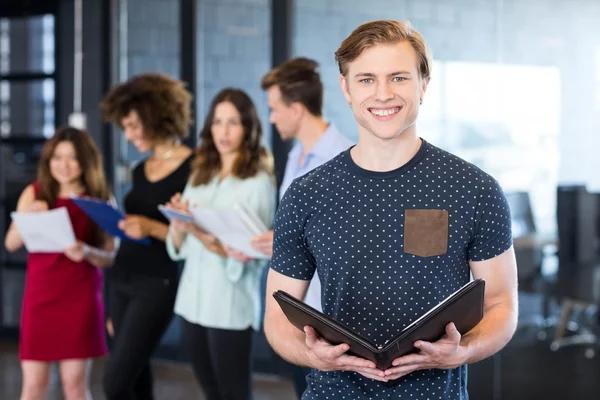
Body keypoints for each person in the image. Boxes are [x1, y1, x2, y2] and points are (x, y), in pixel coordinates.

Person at [264, 19, 518, 400]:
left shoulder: (473, 189)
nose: (383, 94)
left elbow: (501, 304)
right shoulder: (306, 194)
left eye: (398, 78)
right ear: (346, 88)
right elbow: (277, 318)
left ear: (424, 85)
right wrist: (310, 353)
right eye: (366, 79)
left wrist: (463, 350)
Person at [164, 88, 276, 400]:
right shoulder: (201, 174)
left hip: (229, 302)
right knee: (210, 392)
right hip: (192, 300)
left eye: (233, 123)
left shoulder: (257, 183)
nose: (223, 132)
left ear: (248, 128)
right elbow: (181, 246)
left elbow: (255, 254)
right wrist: (178, 222)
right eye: (217, 122)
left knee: (234, 393)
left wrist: (197, 231)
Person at [251, 57, 352, 397]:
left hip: (330, 315)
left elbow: (349, 239)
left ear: (296, 109)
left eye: (274, 108)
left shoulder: (344, 158)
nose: (272, 117)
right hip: (299, 310)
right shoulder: (295, 156)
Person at [99, 73, 194, 399]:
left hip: (157, 283)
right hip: (121, 276)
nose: (128, 136)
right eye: (124, 127)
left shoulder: (193, 167)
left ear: (156, 117)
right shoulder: (140, 169)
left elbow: (194, 237)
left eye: (133, 126)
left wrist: (150, 227)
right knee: (136, 374)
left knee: (115, 382)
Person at [4, 127, 116, 400]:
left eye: (72, 158)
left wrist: (87, 251)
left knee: (74, 385)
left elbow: (111, 255)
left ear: (86, 161)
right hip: (40, 298)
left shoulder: (100, 199)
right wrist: (27, 216)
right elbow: (10, 243)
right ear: (48, 160)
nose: (63, 165)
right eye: (57, 157)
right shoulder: (35, 193)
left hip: (79, 298)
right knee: (32, 386)